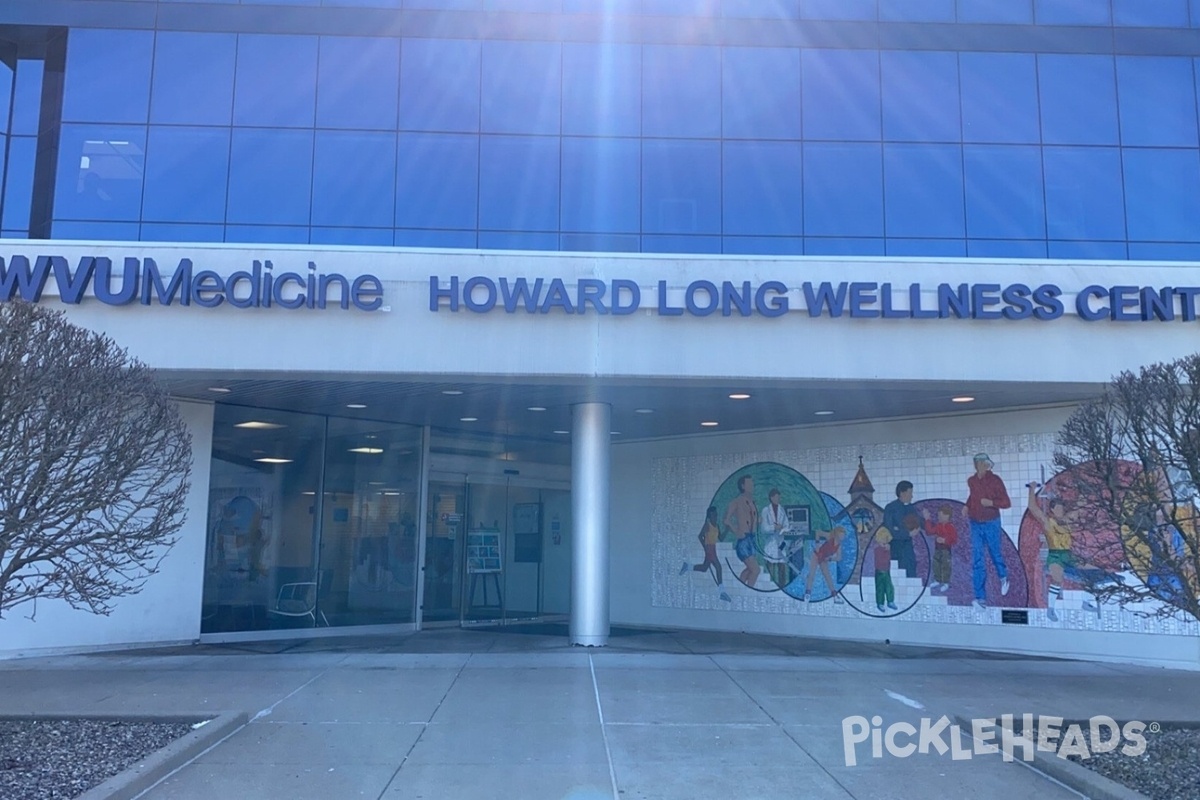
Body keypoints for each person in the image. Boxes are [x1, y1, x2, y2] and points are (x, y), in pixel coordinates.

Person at [1026, 483, 1099, 621]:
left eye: (1062, 507)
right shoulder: (1048, 522)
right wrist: (1031, 490)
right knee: (1057, 579)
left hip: (1068, 555)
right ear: (1052, 510)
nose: (1060, 510)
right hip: (1055, 556)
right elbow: (1033, 508)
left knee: (1092, 569)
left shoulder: (1067, 520)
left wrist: (1084, 491)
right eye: (1057, 508)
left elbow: (1078, 507)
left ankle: (1086, 602)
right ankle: (1051, 609)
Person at [967, 453, 1011, 609]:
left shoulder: (995, 481)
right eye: (976, 463)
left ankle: (1003, 576)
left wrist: (991, 503)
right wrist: (967, 506)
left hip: (991, 521)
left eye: (980, 463)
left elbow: (1006, 502)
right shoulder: (972, 481)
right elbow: (973, 497)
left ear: (987, 465)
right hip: (975, 522)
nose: (977, 466)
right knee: (978, 559)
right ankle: (980, 598)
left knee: (995, 553)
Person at [681, 505, 731, 602]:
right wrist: (705, 548)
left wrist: (727, 530)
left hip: (713, 548)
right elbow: (700, 536)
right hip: (709, 549)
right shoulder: (707, 525)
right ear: (709, 516)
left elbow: (721, 538)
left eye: (715, 515)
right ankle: (722, 592)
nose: (715, 517)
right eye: (712, 515)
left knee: (704, 568)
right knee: (718, 567)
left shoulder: (717, 526)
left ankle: (687, 566)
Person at [723, 474, 760, 587]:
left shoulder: (752, 502)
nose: (752, 485)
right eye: (749, 483)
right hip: (743, 540)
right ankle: (750, 590)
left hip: (751, 539)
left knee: (749, 570)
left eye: (752, 483)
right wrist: (737, 531)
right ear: (743, 486)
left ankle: (741, 587)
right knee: (755, 570)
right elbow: (726, 519)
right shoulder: (737, 501)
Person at [882, 481, 920, 578]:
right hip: (895, 548)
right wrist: (907, 534)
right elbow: (889, 529)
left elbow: (919, 522)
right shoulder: (891, 508)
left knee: (911, 570)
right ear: (902, 493)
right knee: (898, 575)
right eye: (910, 493)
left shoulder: (911, 509)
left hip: (908, 548)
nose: (912, 496)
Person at [803, 526, 846, 604]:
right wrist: (817, 544)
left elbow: (839, 558)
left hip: (824, 559)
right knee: (811, 574)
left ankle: (835, 596)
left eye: (843, 535)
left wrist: (830, 559)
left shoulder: (839, 546)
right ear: (837, 534)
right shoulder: (830, 536)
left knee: (828, 576)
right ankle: (807, 594)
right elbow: (818, 532)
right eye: (841, 534)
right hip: (817, 555)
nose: (843, 536)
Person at [927, 505, 957, 592]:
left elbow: (954, 539)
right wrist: (927, 520)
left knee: (945, 566)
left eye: (940, 515)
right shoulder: (938, 525)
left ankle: (945, 582)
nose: (938, 517)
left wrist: (944, 540)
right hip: (938, 549)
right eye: (938, 515)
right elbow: (930, 531)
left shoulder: (950, 527)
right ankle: (937, 580)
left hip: (946, 550)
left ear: (947, 516)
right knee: (936, 564)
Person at [873, 528, 897, 612]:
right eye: (883, 539)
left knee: (889, 587)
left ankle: (890, 601)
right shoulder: (877, 550)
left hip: (886, 571)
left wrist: (888, 551)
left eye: (886, 540)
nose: (885, 542)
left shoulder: (887, 550)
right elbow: (882, 560)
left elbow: (888, 560)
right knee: (880, 588)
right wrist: (886, 551)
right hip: (879, 571)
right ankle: (880, 603)